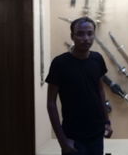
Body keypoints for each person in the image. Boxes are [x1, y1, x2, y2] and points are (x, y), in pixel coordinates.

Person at [46, 17, 113, 154]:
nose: (86, 38)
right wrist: (62, 140)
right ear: (72, 36)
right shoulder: (59, 63)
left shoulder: (97, 59)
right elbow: (51, 102)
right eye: (80, 34)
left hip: (96, 131)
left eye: (89, 33)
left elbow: (100, 90)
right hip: (72, 133)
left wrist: (107, 121)